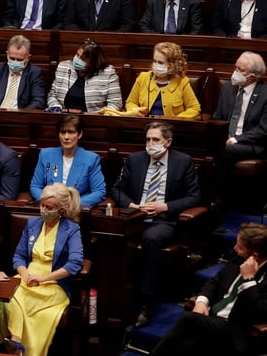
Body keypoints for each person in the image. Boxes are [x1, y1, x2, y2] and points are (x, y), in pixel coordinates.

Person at [111, 121, 201, 327]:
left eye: (156, 140)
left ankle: (146, 302)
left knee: (150, 238)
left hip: (163, 220)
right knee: (112, 236)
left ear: (167, 142)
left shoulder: (183, 161)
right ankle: (115, 299)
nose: (150, 144)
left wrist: (165, 206)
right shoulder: (134, 160)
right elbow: (116, 190)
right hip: (134, 217)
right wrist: (133, 205)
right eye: (148, 139)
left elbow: (194, 197)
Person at [0, 183, 83, 356]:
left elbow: (75, 263)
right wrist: (25, 275)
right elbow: (19, 256)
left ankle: (16, 345)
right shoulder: (33, 224)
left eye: (49, 207)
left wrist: (43, 279)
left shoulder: (71, 229)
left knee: (22, 301)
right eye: (42, 205)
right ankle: (17, 343)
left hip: (54, 283)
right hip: (27, 277)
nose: (43, 209)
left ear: (61, 209)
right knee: (11, 296)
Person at [150, 222, 267, 356]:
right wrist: (201, 302)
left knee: (189, 320)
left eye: (239, 247)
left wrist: (249, 280)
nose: (234, 249)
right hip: (212, 322)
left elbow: (261, 311)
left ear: (255, 255)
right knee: (183, 345)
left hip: (236, 329)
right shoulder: (239, 259)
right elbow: (214, 282)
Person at [212, 52, 267, 207]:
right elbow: (218, 117)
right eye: (235, 67)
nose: (235, 72)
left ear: (253, 76)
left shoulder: (265, 93)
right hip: (227, 139)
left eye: (241, 70)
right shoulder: (229, 88)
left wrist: (236, 139)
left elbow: (264, 129)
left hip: (255, 144)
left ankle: (219, 199)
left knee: (229, 150)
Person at [29, 116, 106, 208]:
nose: (66, 137)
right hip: (50, 209)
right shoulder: (45, 154)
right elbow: (35, 186)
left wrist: (72, 205)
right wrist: (50, 202)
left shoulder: (91, 159)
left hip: (76, 210)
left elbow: (99, 191)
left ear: (80, 134)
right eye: (63, 132)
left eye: (71, 132)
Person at [123, 42, 201, 119]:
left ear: (172, 64)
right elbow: (131, 102)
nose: (156, 65)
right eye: (154, 61)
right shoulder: (143, 77)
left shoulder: (182, 81)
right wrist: (137, 112)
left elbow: (194, 108)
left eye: (160, 62)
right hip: (145, 125)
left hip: (170, 127)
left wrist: (176, 120)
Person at [47, 38, 123, 112]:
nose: (77, 59)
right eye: (77, 55)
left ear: (93, 62)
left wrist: (100, 116)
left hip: (94, 119)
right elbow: (52, 95)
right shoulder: (64, 66)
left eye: (82, 59)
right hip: (64, 115)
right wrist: (56, 107)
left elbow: (116, 103)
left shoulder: (108, 73)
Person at [0, 35, 46, 109]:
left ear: (28, 58)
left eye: (19, 60)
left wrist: (22, 115)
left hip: (21, 116)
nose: (15, 62)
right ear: (7, 54)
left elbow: (38, 101)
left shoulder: (35, 73)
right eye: (12, 58)